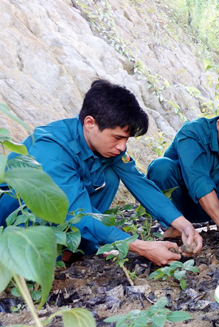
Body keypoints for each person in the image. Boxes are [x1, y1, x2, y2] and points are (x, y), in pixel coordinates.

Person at [0, 80, 203, 265]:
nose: (122, 147)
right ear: (90, 123)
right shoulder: (52, 151)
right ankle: (44, 254)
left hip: (65, 213)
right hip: (16, 222)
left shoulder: (103, 144)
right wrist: (141, 247)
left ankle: (76, 247)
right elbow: (76, 213)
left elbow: (139, 183)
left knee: (110, 176)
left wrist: (184, 224)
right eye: (117, 138)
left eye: (126, 140)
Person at [147, 102, 219, 248]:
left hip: (213, 207)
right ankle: (175, 227)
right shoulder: (193, 133)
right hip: (184, 205)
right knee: (161, 167)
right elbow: (199, 182)